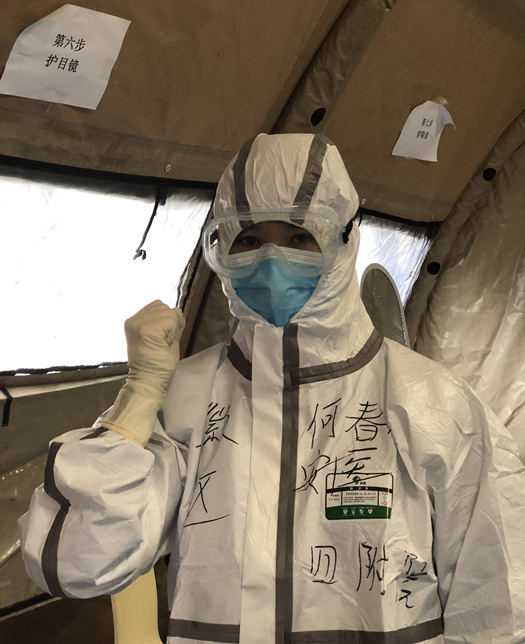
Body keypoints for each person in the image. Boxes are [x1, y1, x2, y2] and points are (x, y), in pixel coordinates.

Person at [19, 133, 525, 643]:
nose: (271, 260)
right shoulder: (187, 400)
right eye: (248, 239)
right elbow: (78, 563)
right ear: (220, 250)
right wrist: (140, 397)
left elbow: (498, 602)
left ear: (345, 241)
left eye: (299, 237)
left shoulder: (433, 403)